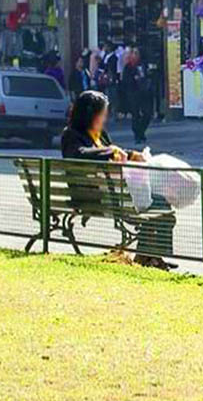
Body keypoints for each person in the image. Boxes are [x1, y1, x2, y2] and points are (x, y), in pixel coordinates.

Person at [61, 91, 174, 269]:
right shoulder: (72, 134)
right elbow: (80, 153)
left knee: (163, 207)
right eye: (102, 114)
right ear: (90, 114)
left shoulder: (100, 134)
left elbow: (114, 152)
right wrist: (110, 151)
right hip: (94, 196)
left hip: (115, 192)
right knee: (158, 207)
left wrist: (131, 155)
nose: (104, 118)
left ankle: (150, 256)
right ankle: (146, 257)